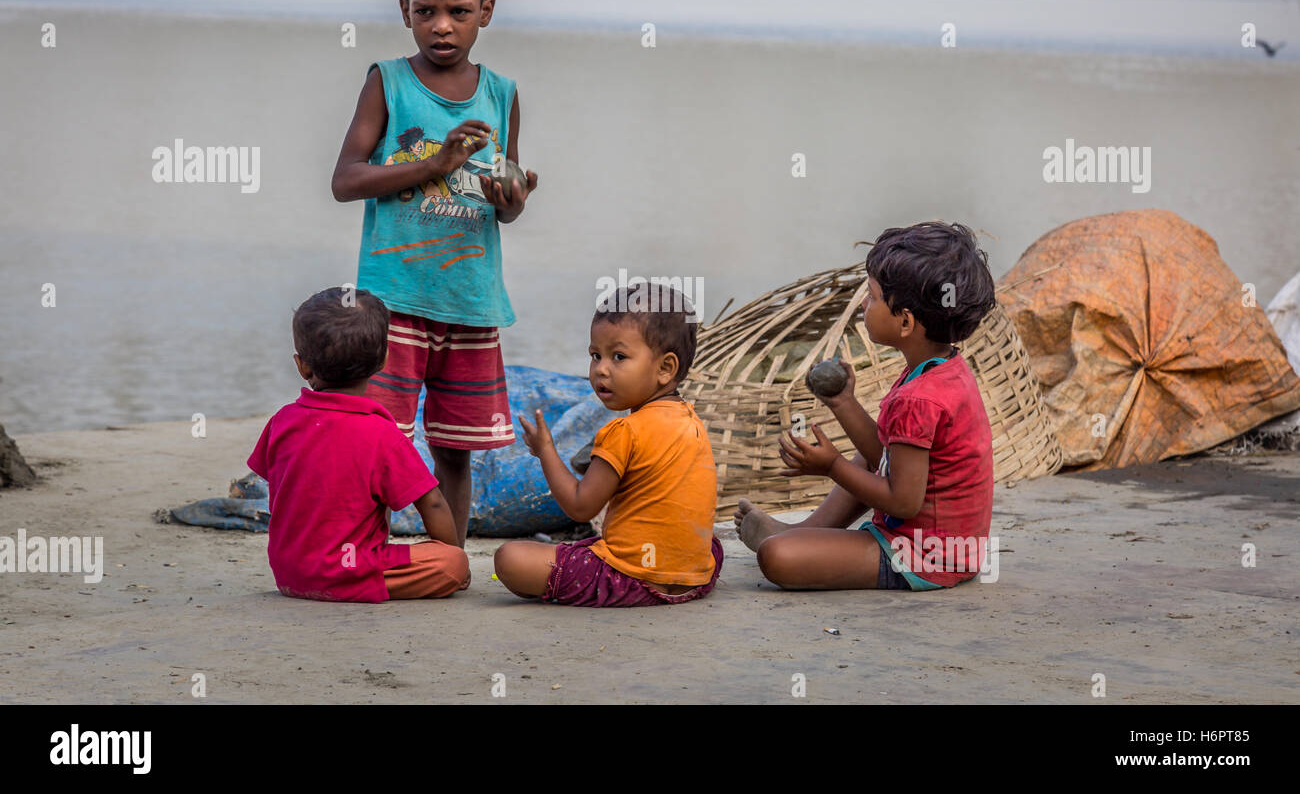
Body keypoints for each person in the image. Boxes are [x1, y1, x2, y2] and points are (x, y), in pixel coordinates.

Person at [331, 0, 537, 546]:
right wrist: (435, 165)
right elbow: (345, 180)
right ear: (404, 11)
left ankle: (448, 559)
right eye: (426, 11)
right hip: (394, 303)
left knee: (456, 449)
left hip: (471, 304)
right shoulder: (387, 82)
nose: (442, 25)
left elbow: (502, 207)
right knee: (378, 439)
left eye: (458, 12)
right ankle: (365, 552)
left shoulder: (503, 95)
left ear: (487, 12)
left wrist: (514, 199)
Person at [734, 222, 998, 591]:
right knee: (870, 460)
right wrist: (844, 403)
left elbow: (903, 502)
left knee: (777, 559)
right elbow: (887, 455)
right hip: (952, 547)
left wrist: (831, 466)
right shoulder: (942, 370)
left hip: (924, 556)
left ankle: (793, 541)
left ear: (905, 321)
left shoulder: (918, 397)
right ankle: (805, 532)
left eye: (872, 297)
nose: (863, 304)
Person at [494, 283, 723, 606]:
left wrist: (546, 451)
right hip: (695, 576)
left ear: (665, 368)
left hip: (630, 578)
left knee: (510, 558)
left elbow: (579, 506)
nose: (601, 369)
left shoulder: (623, 431)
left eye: (618, 357)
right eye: (595, 355)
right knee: (710, 542)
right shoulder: (691, 421)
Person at [247, 287, 469, 603]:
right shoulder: (382, 433)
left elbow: (282, 483)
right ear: (384, 360)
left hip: (288, 573)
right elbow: (432, 503)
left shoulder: (282, 421)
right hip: (352, 569)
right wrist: (452, 556)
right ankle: (351, 586)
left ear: (302, 366)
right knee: (451, 563)